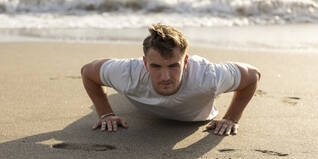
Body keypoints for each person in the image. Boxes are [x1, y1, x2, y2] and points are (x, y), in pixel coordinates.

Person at [81, 24, 261, 136]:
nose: (165, 77)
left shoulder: (207, 77)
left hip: (197, 114)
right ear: (145, 62)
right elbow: (87, 72)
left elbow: (253, 75)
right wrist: (105, 113)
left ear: (186, 62)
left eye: (174, 66)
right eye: (156, 67)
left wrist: (232, 118)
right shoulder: (128, 73)